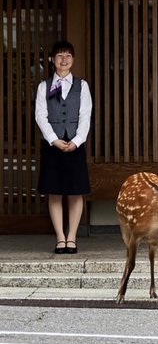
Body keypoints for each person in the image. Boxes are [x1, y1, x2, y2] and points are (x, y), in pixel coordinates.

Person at [35, 40, 93, 254]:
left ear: (73, 59)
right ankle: (60, 238)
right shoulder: (44, 86)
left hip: (75, 144)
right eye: (59, 55)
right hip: (53, 145)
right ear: (52, 60)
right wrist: (53, 139)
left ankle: (72, 238)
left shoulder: (82, 85)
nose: (64, 59)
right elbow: (40, 116)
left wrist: (77, 141)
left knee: (76, 192)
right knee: (55, 193)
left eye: (68, 55)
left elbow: (85, 116)